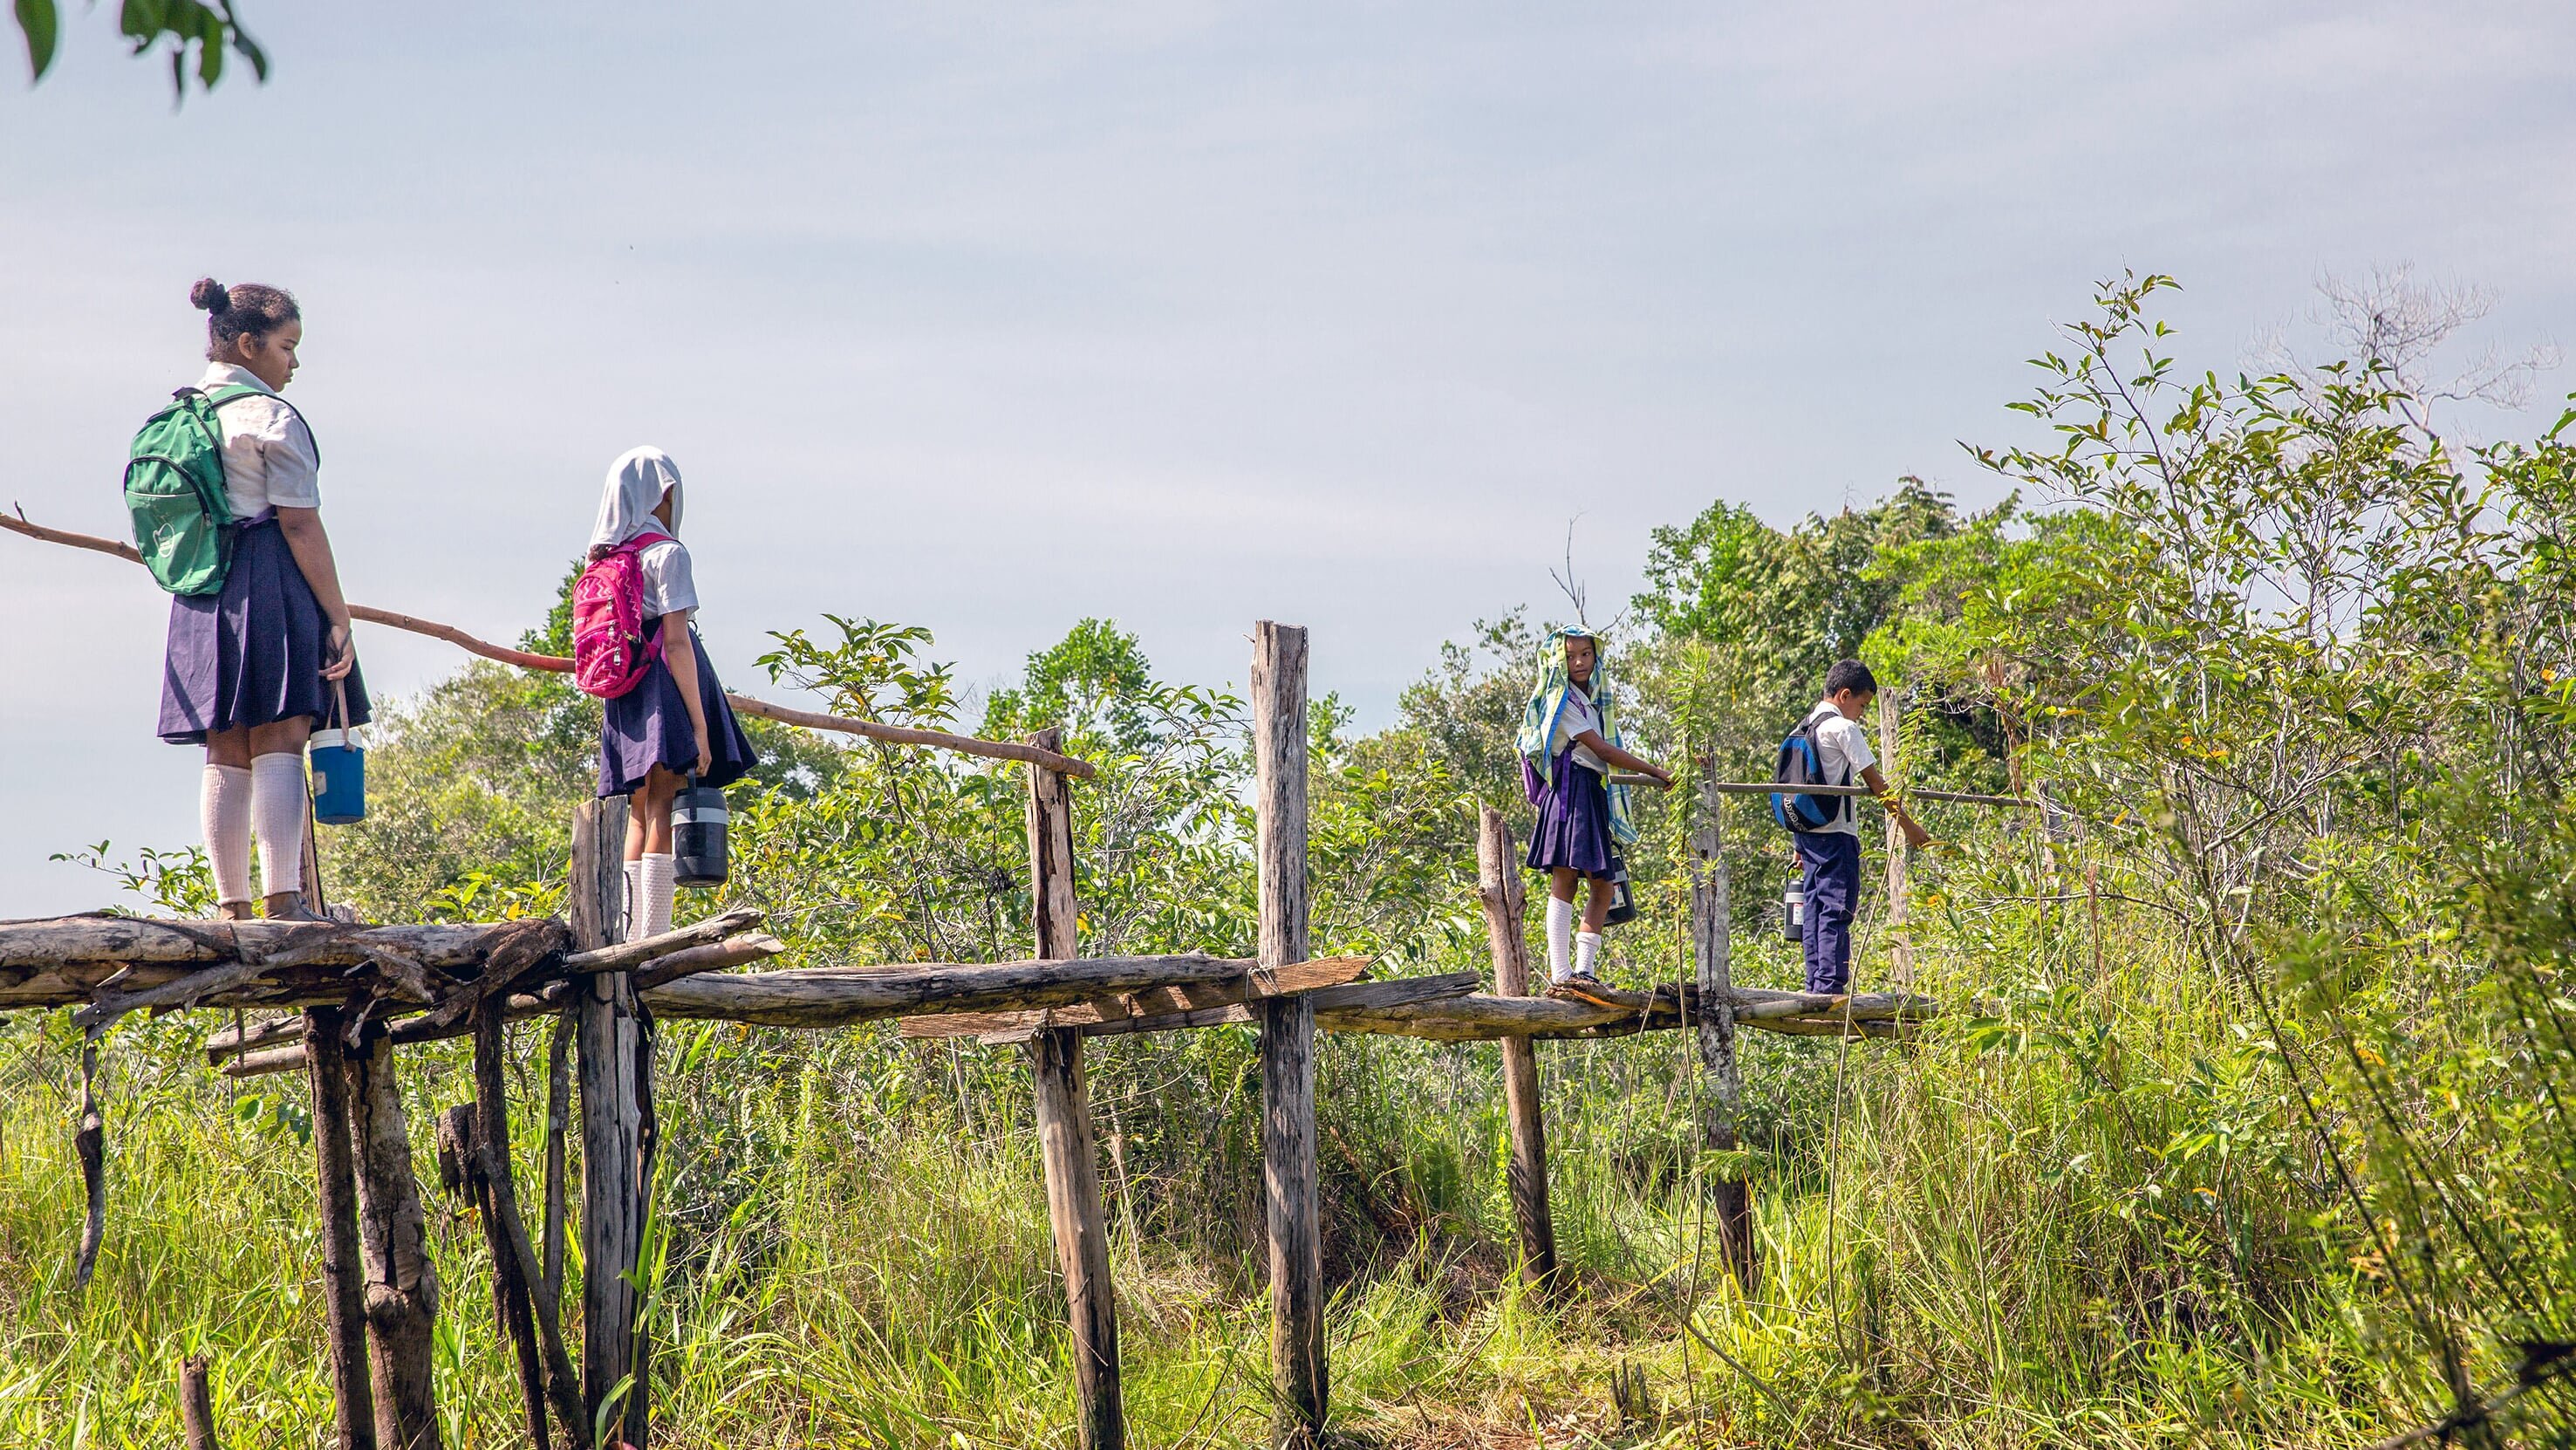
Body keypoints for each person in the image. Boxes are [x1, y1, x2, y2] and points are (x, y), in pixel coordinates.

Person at [158, 278, 367, 922]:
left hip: (200, 587)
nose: (294, 363)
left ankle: (232, 907)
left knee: (224, 742)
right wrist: (338, 616)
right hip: (268, 574)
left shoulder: (181, 414)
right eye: (287, 346)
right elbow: (299, 524)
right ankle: (284, 898)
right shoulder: (270, 417)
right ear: (248, 344)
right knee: (282, 731)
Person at [588, 447, 758, 941]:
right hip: (664, 685)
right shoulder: (667, 554)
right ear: (661, 494)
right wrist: (700, 728)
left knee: (638, 812)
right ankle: (654, 937)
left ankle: (626, 931)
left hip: (625, 692)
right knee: (663, 805)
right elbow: (678, 642)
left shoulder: (605, 557)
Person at [1515, 629, 1672, 997]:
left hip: (1590, 790)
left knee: (1603, 885)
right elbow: (1602, 751)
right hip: (1572, 791)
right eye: (1571, 657)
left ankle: (1583, 970)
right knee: (1566, 879)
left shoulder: (1590, 701)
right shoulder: (1563, 701)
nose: (1580, 662)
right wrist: (1656, 771)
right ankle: (1561, 971)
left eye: (1586, 654)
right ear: (1559, 662)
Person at [1791, 659, 1931, 995]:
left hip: (1809, 836)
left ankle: (1816, 985)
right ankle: (1830, 989)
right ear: (1844, 695)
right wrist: (1908, 825)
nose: (1862, 713)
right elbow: (1875, 782)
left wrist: (1798, 844)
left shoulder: (1803, 726)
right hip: (1837, 835)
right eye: (1863, 705)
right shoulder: (1843, 729)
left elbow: (1795, 787)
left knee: (1814, 909)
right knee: (1837, 908)